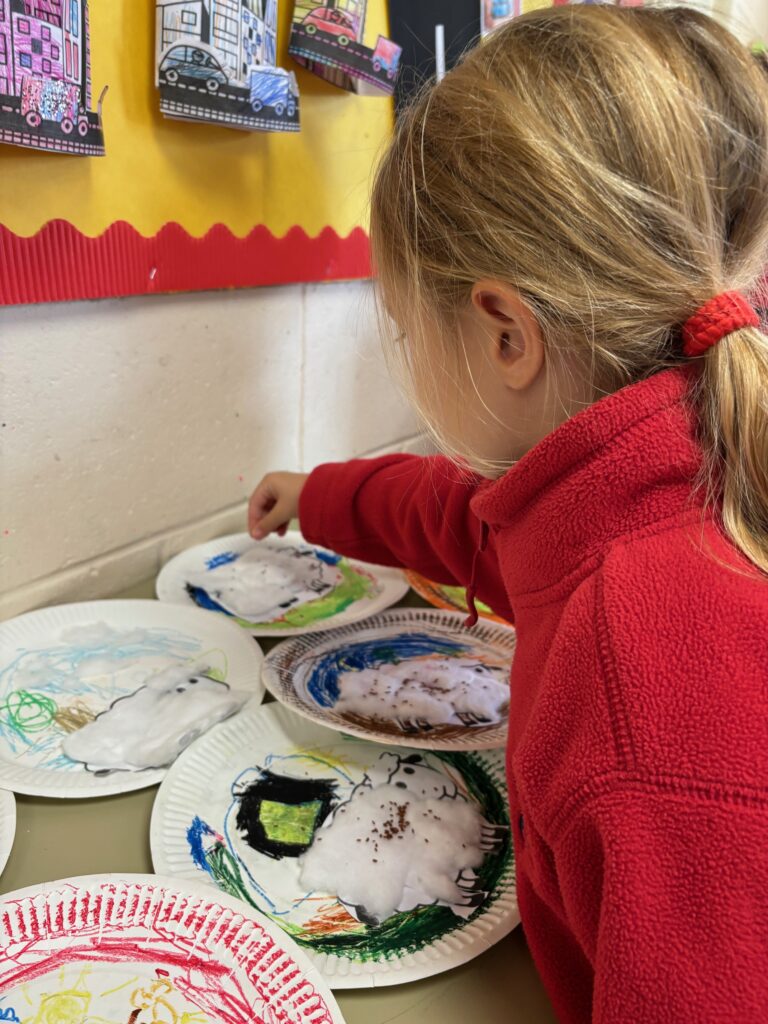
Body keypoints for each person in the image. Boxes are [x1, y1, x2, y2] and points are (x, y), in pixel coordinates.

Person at [248, 5, 768, 1020]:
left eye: (403, 328)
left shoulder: (646, 683)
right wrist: (324, 497)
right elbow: (474, 521)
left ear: (504, 335)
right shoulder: (658, 459)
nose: (405, 354)